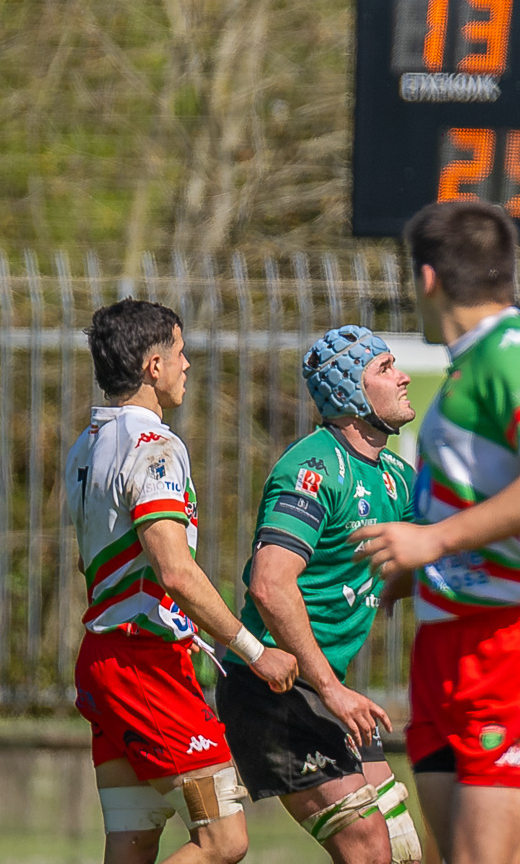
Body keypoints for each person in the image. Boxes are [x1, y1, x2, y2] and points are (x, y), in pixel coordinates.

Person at [351, 202, 520, 864]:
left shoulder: (514, 352)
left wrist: (435, 541)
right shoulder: (468, 364)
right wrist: (414, 569)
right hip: (447, 643)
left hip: (516, 642)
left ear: (426, 280)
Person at [64, 298, 300, 864]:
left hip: (103, 658)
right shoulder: (154, 446)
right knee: (224, 840)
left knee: (133, 841)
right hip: (145, 665)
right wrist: (252, 650)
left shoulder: (87, 445)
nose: (187, 364)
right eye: (180, 351)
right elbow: (175, 571)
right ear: (153, 366)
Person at [216, 325, 422, 864]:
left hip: (323, 689)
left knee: (402, 851)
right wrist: (330, 689)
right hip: (277, 690)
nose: (403, 378)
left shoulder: (398, 477)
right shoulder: (311, 469)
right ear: (352, 396)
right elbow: (269, 582)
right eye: (384, 369)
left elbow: (435, 558)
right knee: (370, 850)